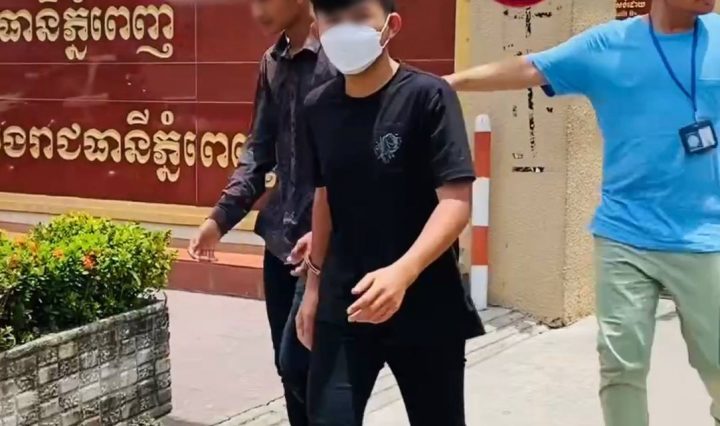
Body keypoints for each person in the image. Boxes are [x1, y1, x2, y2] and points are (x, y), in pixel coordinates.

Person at [444, 0, 720, 425]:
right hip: (625, 234)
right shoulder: (608, 44)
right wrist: (443, 83)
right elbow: (530, 68)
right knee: (620, 365)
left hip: (706, 236)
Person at [295, 0, 485, 424]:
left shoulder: (428, 96)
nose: (345, 29)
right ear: (317, 29)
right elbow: (325, 198)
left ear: (391, 25)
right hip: (346, 303)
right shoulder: (317, 107)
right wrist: (313, 289)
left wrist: (403, 272)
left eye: (359, 17)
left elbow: (455, 204)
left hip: (426, 301)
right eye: (333, 20)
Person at [187, 1, 335, 424]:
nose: (257, 10)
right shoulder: (272, 62)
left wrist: (331, 232)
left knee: (310, 368)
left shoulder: (339, 59)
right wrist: (220, 218)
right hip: (280, 242)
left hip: (328, 244)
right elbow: (258, 151)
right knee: (290, 372)